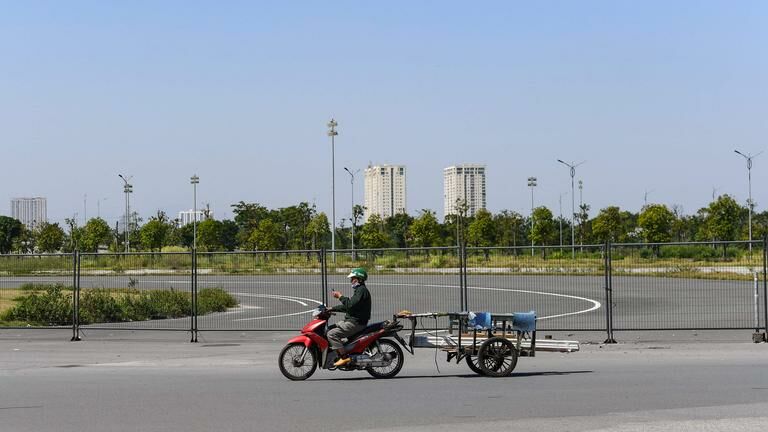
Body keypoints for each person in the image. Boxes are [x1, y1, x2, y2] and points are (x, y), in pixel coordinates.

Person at [327, 267, 371, 367]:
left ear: (359, 279)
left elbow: (350, 305)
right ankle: (341, 349)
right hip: (351, 321)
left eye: (353, 279)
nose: (351, 281)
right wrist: (332, 308)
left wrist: (340, 296)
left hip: (355, 323)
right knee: (328, 329)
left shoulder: (361, 291)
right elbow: (349, 307)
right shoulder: (359, 291)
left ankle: (344, 357)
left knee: (331, 334)